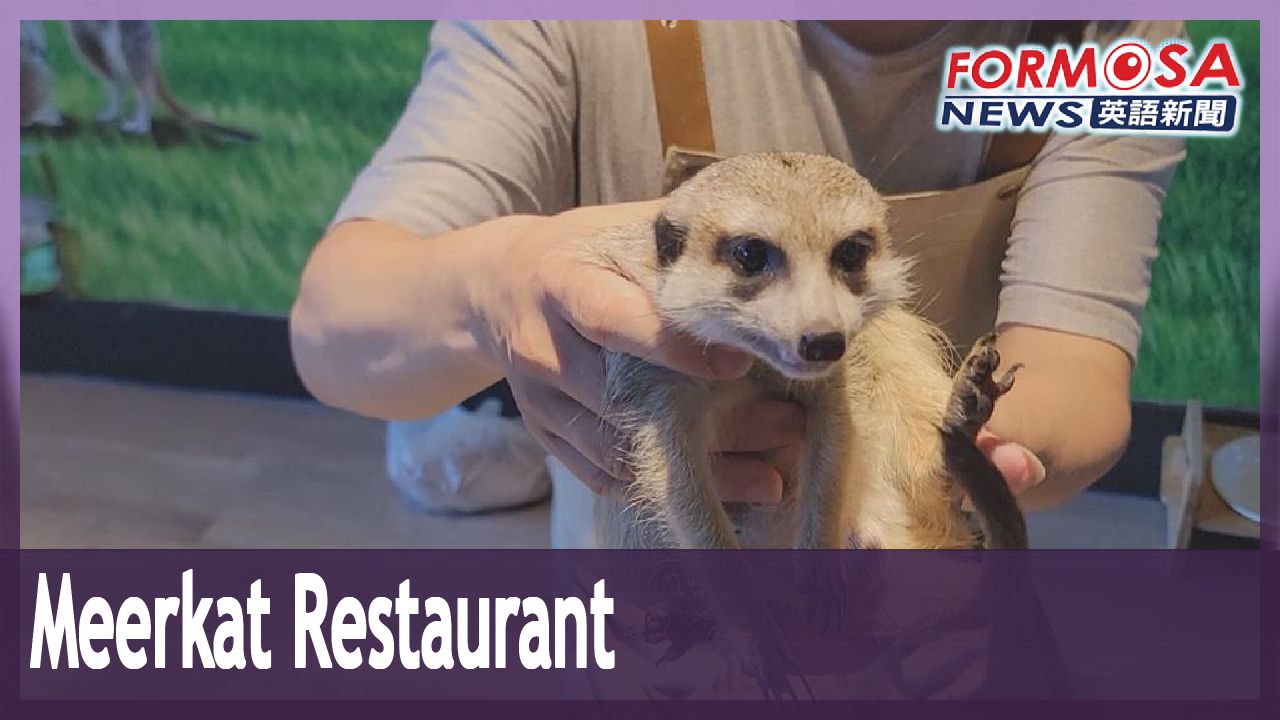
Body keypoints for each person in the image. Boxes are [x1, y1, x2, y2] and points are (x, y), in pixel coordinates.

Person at [289, 20, 1186, 542]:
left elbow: (1078, 367)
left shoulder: (1106, 30)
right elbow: (335, 323)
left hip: (928, 594)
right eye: (754, 258)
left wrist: (956, 459)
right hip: (646, 626)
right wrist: (494, 285)